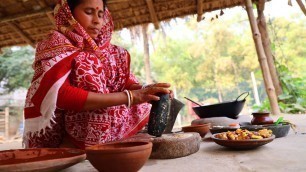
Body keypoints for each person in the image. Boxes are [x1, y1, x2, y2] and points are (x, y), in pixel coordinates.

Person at [23, 0, 172, 149]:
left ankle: (110, 139)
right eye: (88, 12)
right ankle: (73, 143)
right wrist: (131, 97)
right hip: (60, 130)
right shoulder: (55, 43)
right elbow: (59, 94)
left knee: (115, 57)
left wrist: (148, 91)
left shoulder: (110, 50)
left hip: (104, 127)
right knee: (85, 61)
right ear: (69, 13)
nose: (96, 21)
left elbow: (122, 82)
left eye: (101, 15)